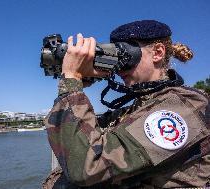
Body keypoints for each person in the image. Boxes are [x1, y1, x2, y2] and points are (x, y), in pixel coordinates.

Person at [42, 20, 210, 189]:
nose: (120, 68)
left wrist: (72, 80)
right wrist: (82, 82)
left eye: (126, 55)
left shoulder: (185, 106)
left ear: (157, 52)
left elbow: (86, 167)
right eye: (117, 58)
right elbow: (75, 140)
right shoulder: (139, 109)